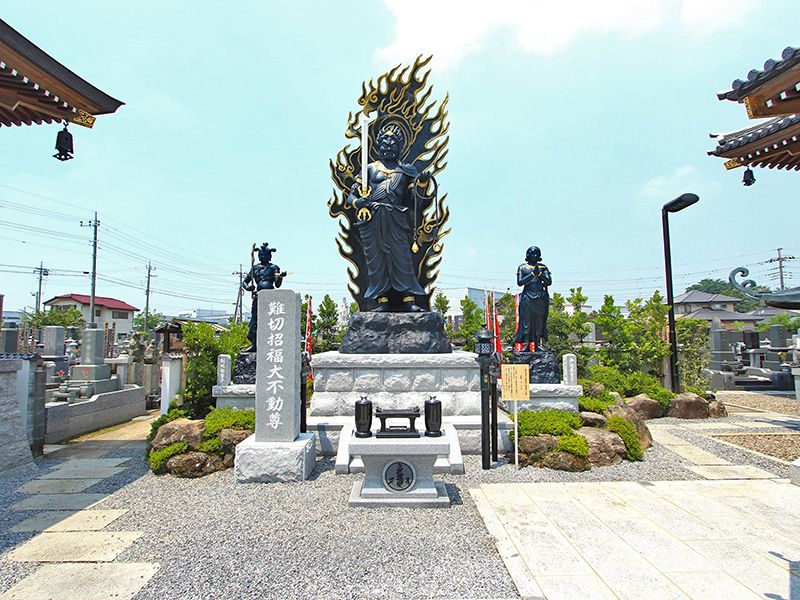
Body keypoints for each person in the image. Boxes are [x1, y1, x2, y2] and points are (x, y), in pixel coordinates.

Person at [347, 123, 427, 312]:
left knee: (403, 258)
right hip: (372, 218)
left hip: (396, 218)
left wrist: (421, 184)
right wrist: (359, 202)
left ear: (400, 146)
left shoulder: (407, 171)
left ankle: (409, 300)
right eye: (385, 141)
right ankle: (381, 301)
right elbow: (351, 196)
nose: (389, 144)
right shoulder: (369, 169)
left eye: (393, 142)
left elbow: (415, 201)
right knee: (376, 260)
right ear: (378, 144)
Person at [242, 243, 286, 352]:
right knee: (254, 321)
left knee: (270, 321)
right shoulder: (255, 268)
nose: (263, 257)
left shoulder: (274, 268)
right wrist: (248, 287)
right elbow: (244, 282)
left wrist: (280, 277)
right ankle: (254, 344)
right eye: (261, 255)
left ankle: (270, 344)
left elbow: (277, 284)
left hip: (270, 297)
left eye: (265, 255)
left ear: (270, 256)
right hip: (258, 296)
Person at [514, 246, 552, 351]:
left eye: (536, 254)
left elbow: (549, 282)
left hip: (540, 297)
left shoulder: (543, 268)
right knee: (527, 320)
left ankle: (538, 343)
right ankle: (526, 343)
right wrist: (531, 274)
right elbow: (520, 282)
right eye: (532, 253)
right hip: (527, 297)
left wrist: (539, 274)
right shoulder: (522, 267)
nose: (534, 256)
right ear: (528, 255)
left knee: (539, 320)